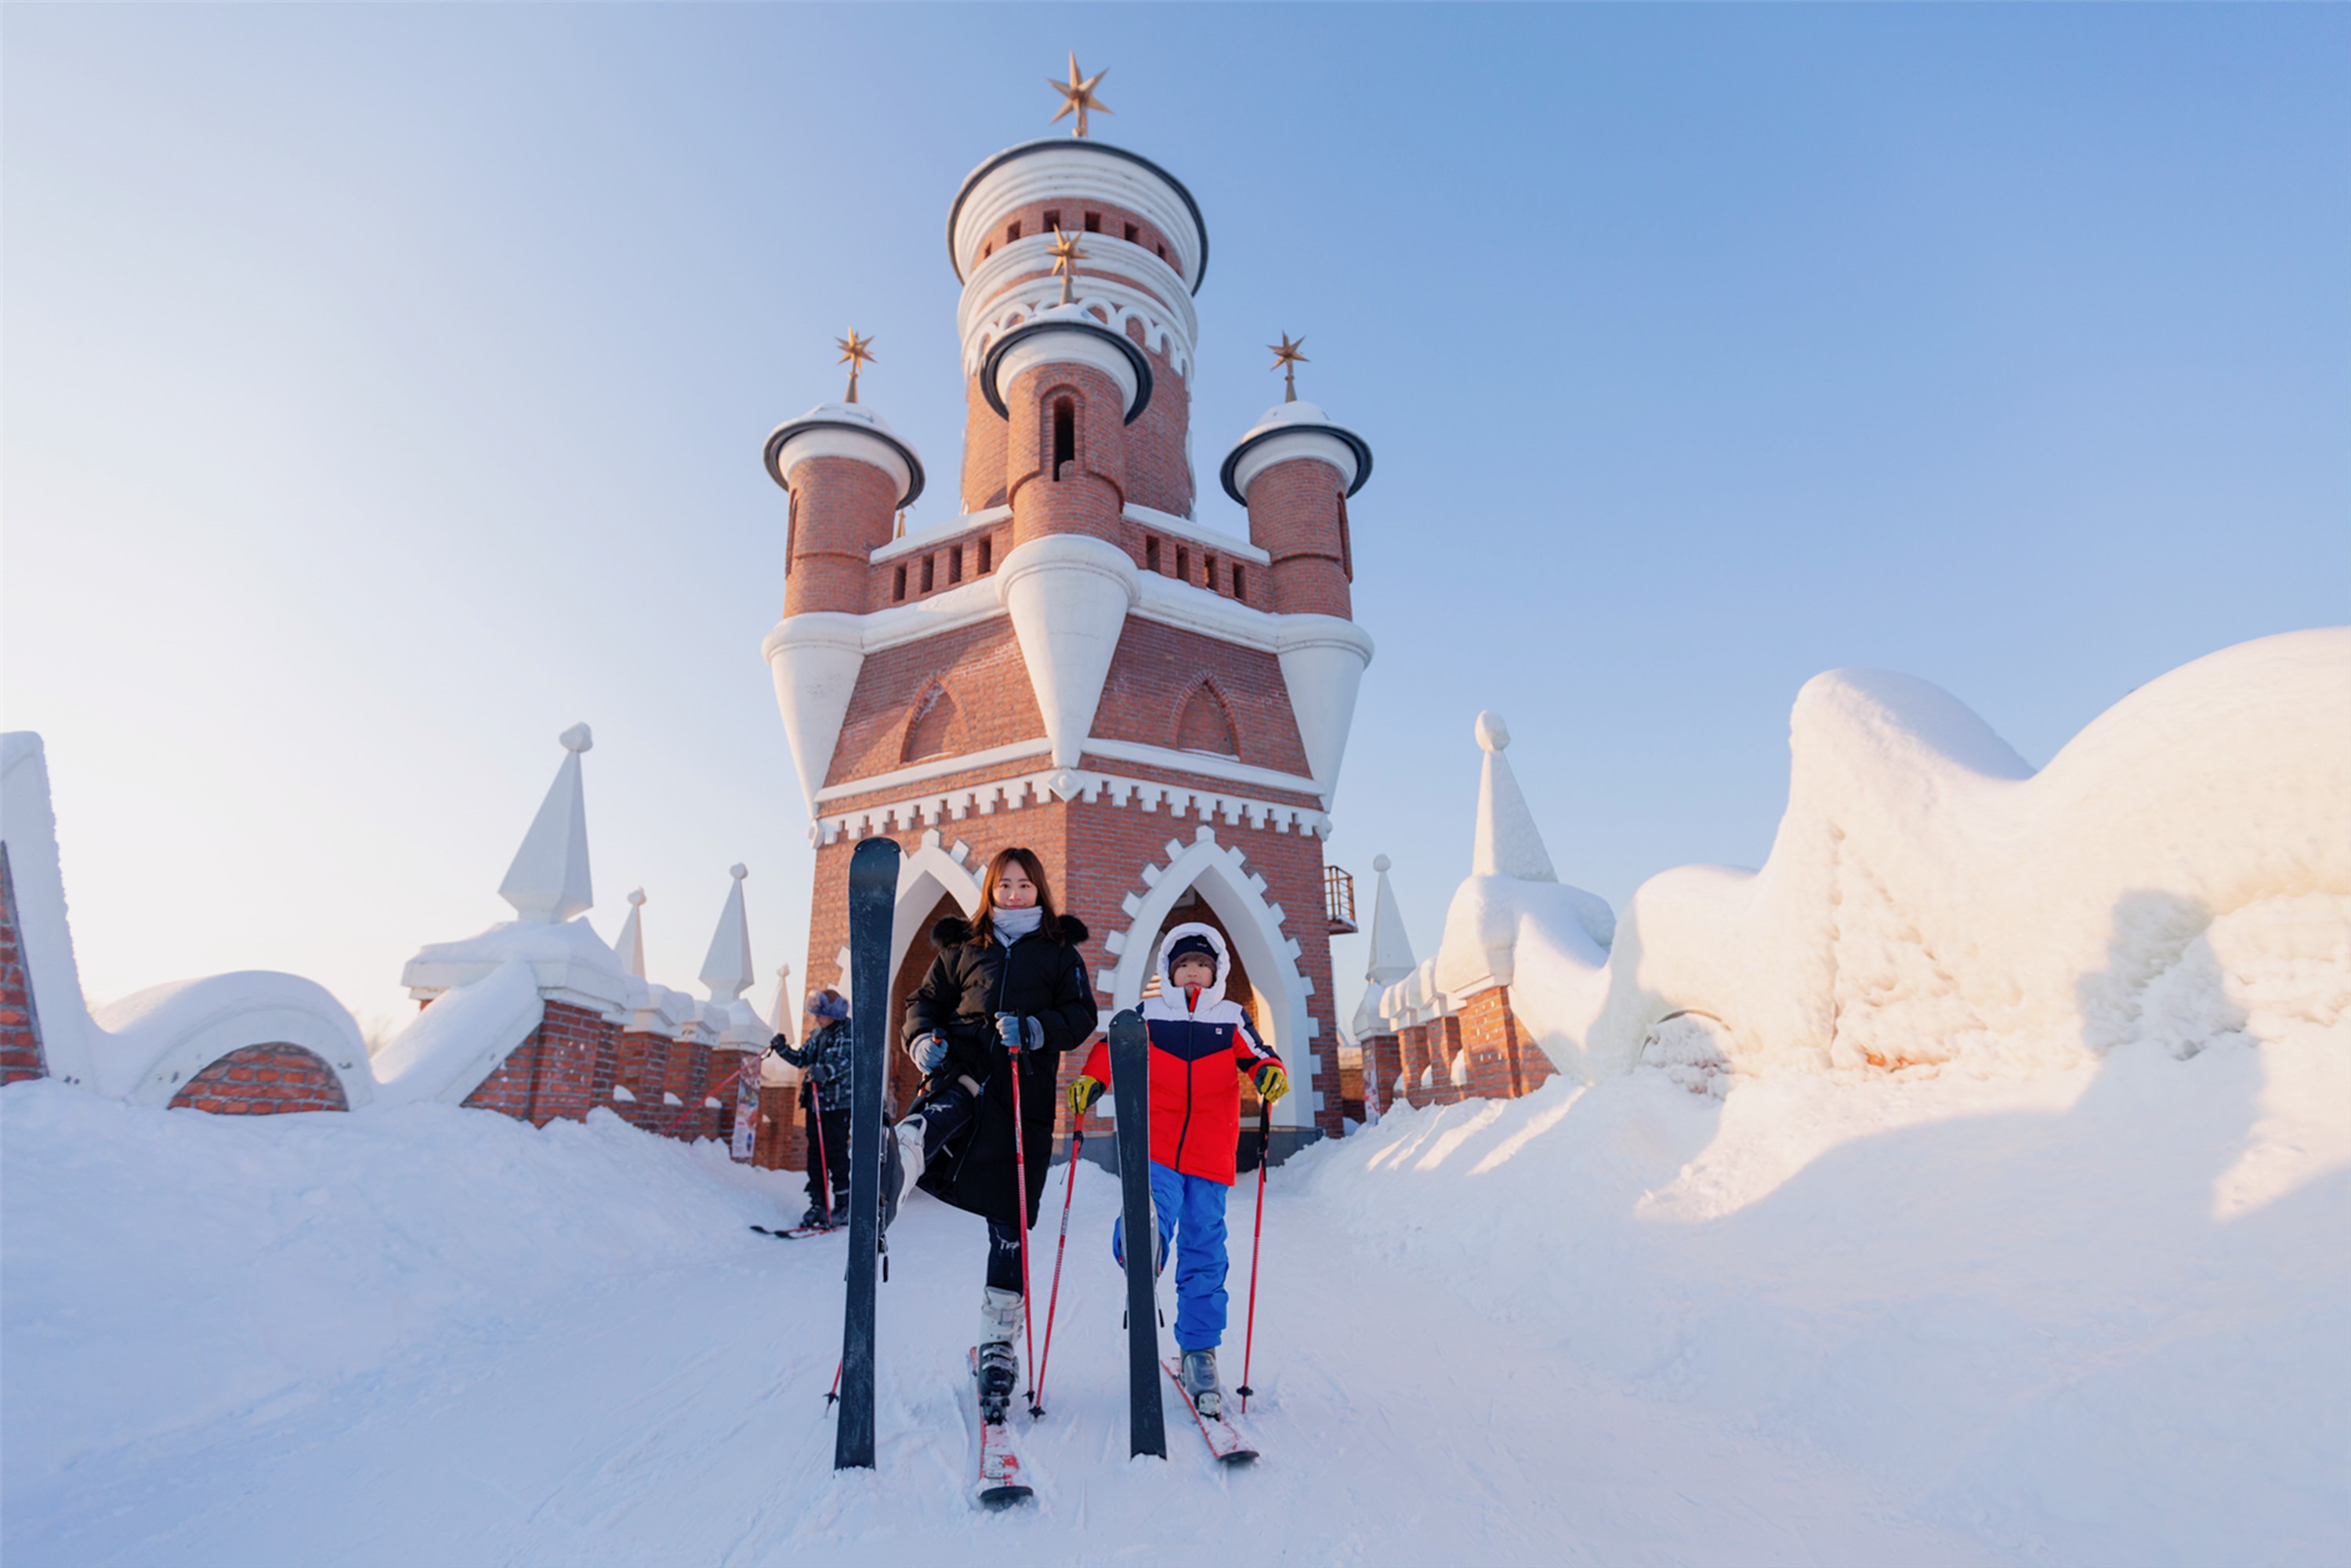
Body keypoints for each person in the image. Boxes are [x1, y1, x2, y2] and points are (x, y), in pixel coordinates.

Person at [880, 847, 1098, 1420]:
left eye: (1025, 884)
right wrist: (920, 1038)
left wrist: (1033, 1028)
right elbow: (922, 1001)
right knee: (948, 1105)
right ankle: (901, 1157)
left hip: (1023, 1097)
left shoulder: (1058, 952)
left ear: (1040, 890)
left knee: (1010, 1225)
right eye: (1005, 884)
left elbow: (1081, 1016)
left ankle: (997, 1345)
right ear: (991, 891)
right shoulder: (962, 946)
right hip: (963, 1067)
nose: (1015, 893)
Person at [1067, 922, 1286, 1419]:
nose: (1194, 973)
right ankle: (1142, 1247)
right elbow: (1110, 1047)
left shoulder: (1231, 1018)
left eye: (1203, 966)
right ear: (1168, 971)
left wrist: (1271, 1073)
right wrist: (1093, 1081)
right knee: (1151, 1207)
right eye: (1184, 965)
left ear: (1217, 973)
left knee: (1206, 1246)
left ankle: (1200, 1350)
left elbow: (1260, 1056)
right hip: (1158, 1144)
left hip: (1211, 1151)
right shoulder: (1149, 1014)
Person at [769, 989, 853, 1229]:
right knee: (815, 1155)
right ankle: (818, 1203)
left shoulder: (848, 1031)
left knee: (835, 1153)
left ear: (833, 1015)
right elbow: (802, 1059)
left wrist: (825, 1072)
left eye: (820, 1015)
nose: (816, 1019)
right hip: (814, 1102)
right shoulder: (818, 1034)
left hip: (837, 1105)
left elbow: (845, 1061)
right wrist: (782, 1048)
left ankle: (843, 1205)